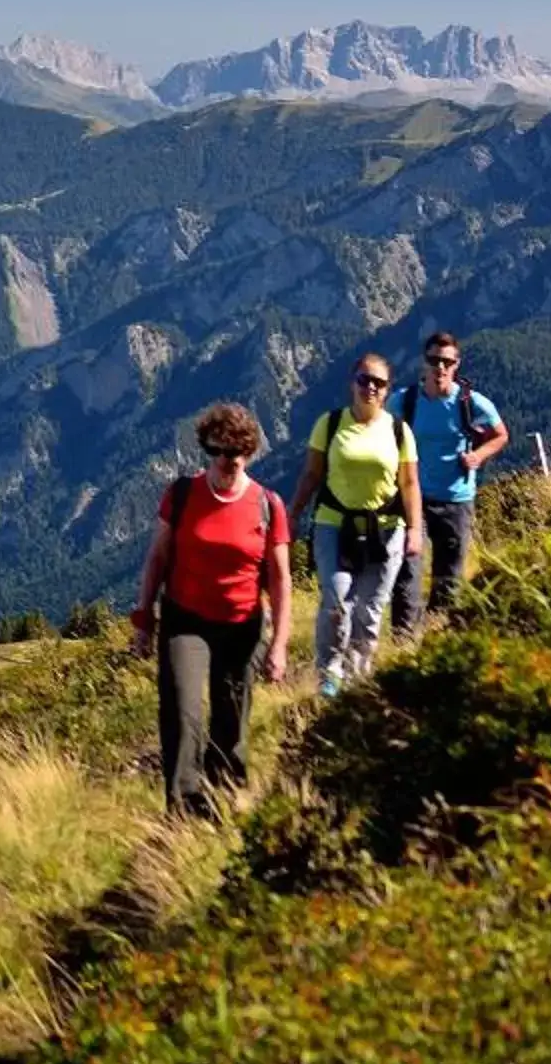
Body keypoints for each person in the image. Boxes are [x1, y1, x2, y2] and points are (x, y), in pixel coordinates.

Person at [128, 402, 292, 816]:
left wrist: (279, 645)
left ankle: (224, 801)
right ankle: (182, 810)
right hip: (185, 622)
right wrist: (144, 619)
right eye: (217, 450)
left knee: (231, 721)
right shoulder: (182, 495)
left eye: (234, 453)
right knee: (183, 711)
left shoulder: (267, 506)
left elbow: (280, 580)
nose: (225, 461)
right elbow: (157, 559)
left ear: (249, 454)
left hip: (242, 627)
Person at [287, 356, 424, 695]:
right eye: (365, 380)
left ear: (387, 390)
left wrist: (414, 529)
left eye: (379, 383)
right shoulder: (330, 424)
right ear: (353, 382)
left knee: (372, 608)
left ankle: (359, 676)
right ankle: (330, 674)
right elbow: (311, 475)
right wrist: (292, 514)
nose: (371, 388)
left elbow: (409, 484)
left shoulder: (398, 431)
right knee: (336, 600)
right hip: (334, 524)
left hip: (386, 528)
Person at [390, 331, 508, 636]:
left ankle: (437, 637)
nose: (440, 367)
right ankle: (404, 641)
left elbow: (501, 435)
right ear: (424, 362)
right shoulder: (405, 401)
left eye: (446, 362)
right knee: (407, 573)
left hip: (457, 500)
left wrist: (478, 456)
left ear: (456, 365)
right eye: (434, 360)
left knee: (449, 578)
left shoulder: (471, 402)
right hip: (413, 500)